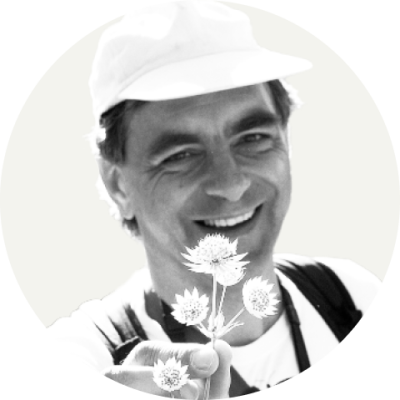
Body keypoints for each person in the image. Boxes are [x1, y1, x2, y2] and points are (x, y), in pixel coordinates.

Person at [47, 0, 381, 397]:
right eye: (180, 156)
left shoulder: (352, 297)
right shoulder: (90, 352)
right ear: (118, 185)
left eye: (253, 138)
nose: (231, 183)